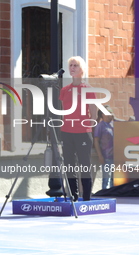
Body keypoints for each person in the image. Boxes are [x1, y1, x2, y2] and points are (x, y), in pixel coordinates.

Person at [59, 56, 97, 201]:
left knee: (84, 165)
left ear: (82, 70)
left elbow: (93, 113)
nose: (72, 68)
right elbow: (64, 111)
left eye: (75, 65)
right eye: (71, 65)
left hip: (83, 133)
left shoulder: (88, 89)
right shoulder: (64, 90)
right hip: (67, 133)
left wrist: (88, 129)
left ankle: (86, 197)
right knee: (69, 165)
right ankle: (73, 196)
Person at [94, 106, 114, 190]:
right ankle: (105, 194)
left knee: (114, 178)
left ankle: (113, 193)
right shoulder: (100, 126)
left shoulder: (113, 124)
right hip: (106, 156)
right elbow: (96, 141)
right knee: (106, 177)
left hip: (116, 156)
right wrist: (100, 155)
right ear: (103, 114)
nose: (111, 114)